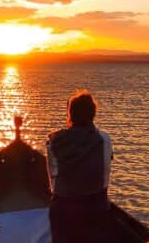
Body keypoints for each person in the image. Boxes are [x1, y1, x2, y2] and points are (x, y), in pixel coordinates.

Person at [46, 90, 113, 243]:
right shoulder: (104, 139)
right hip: (95, 206)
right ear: (93, 114)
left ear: (70, 114)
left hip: (63, 207)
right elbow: (105, 173)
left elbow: (52, 178)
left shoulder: (53, 141)